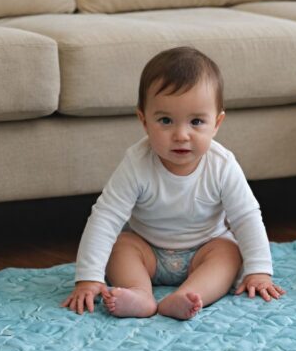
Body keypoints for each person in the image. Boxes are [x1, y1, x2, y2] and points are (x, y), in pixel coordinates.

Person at [61, 46, 284, 320]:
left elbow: (246, 217)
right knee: (120, 246)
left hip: (204, 250)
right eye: (165, 120)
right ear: (144, 121)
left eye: (196, 122)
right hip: (148, 251)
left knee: (229, 253)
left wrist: (259, 270)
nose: (181, 135)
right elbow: (105, 217)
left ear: (217, 123)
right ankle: (139, 292)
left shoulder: (222, 165)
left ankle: (188, 295)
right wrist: (88, 277)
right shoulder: (136, 163)